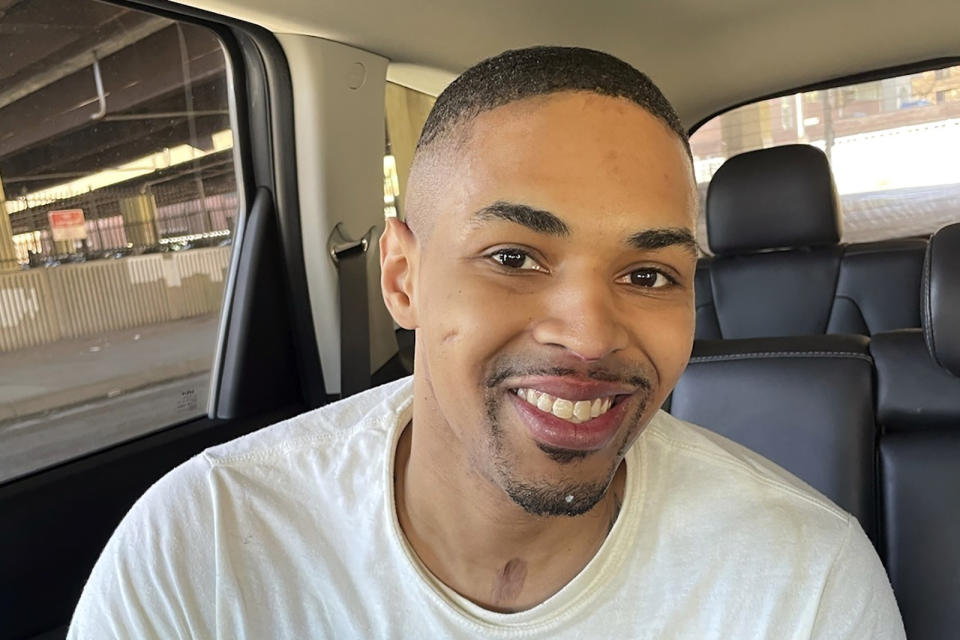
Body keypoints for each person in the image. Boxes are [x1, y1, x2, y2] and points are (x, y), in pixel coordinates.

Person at [68, 46, 905, 638]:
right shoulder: (205, 540)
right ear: (402, 279)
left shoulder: (804, 580)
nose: (587, 334)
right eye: (513, 257)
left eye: (649, 274)